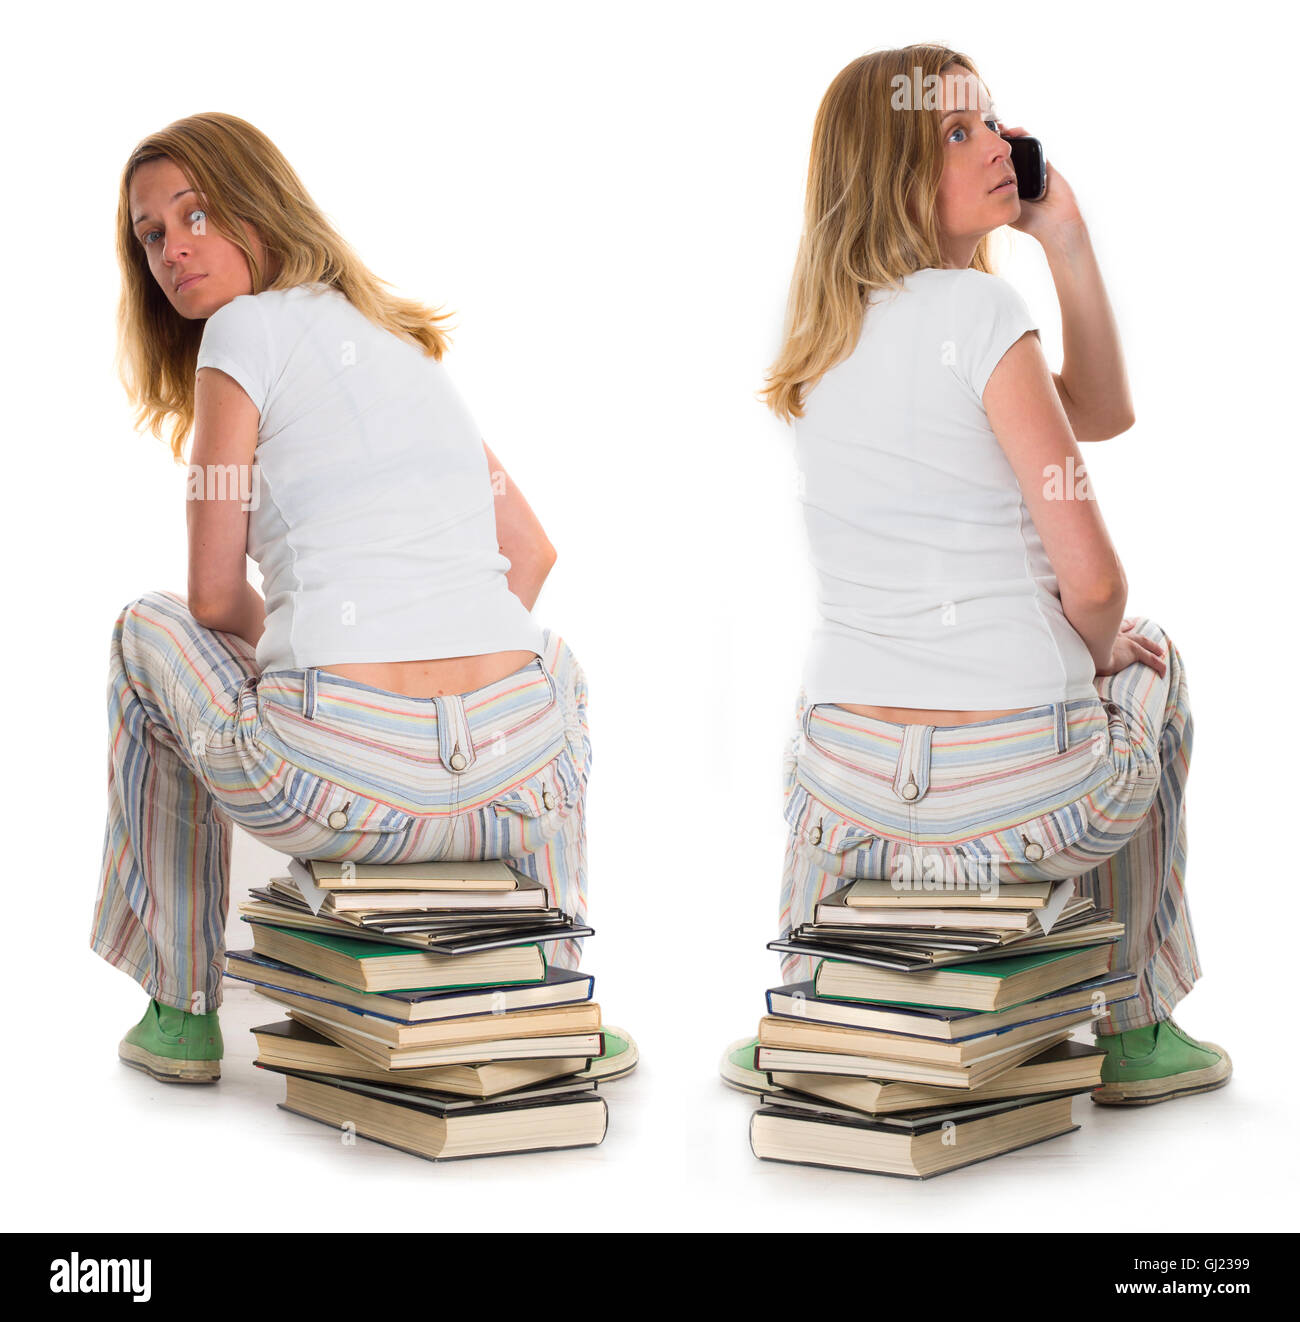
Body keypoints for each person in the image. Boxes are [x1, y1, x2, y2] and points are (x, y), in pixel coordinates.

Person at [721, 46, 1229, 1107]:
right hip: (1019, 803)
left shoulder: (812, 335)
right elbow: (1095, 584)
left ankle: (800, 1007)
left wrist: (1062, 238)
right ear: (894, 177)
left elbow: (1096, 408)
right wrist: (1096, 655)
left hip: (847, 800)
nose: (997, 143)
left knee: (830, 691)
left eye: (991, 121)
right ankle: (1134, 1026)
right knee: (1154, 658)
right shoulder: (979, 317)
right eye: (958, 132)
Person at [91, 112, 596, 1084]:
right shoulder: (399, 344)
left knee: (144, 627)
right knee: (554, 667)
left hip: (340, 784)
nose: (173, 248)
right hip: (519, 785)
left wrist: (317, 660)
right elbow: (529, 552)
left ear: (259, 206)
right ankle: (555, 992)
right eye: (150, 233)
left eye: (196, 213)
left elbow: (207, 592)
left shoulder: (238, 334)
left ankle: (182, 1007)